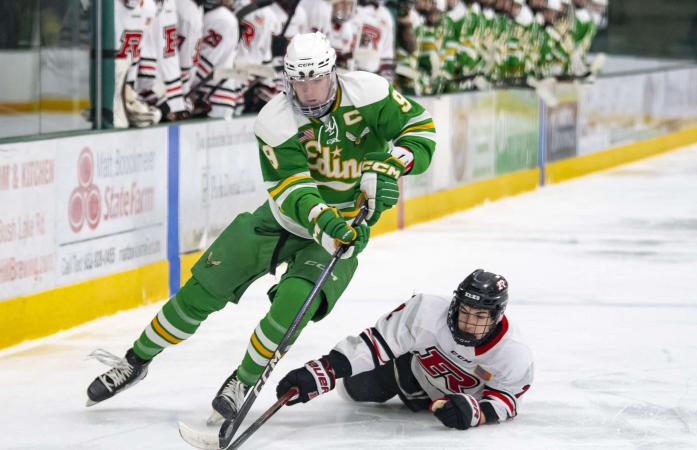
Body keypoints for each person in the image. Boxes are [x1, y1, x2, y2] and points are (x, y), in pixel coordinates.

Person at [85, 31, 436, 427]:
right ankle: (136, 360)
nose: (309, 92)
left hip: (342, 236)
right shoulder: (274, 119)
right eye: (299, 83)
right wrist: (325, 220)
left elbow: (420, 128)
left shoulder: (369, 92)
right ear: (288, 81)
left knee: (291, 309)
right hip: (282, 221)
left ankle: (243, 380)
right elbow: (292, 189)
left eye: (316, 80)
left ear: (332, 74)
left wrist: (396, 162)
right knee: (202, 290)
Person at [276, 269, 534, 430]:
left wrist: (477, 413)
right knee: (355, 391)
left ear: (496, 316)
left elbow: (506, 398)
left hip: (451, 402)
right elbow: (377, 343)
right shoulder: (426, 311)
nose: (467, 322)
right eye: (464, 311)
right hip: (408, 373)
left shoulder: (513, 353)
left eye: (479, 316)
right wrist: (324, 371)